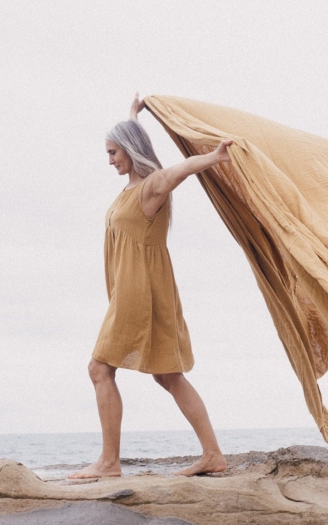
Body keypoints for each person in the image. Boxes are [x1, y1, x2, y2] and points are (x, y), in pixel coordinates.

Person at [69, 93, 233, 479]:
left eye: (113, 152)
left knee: (98, 369)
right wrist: (132, 115)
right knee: (169, 375)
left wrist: (213, 157)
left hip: (137, 292)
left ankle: (109, 462)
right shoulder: (132, 186)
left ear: (127, 149)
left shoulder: (152, 187)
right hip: (142, 290)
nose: (109, 160)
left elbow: (182, 169)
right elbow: (137, 144)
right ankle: (213, 455)